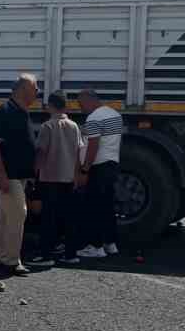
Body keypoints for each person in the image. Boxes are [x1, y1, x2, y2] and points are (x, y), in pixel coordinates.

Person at [0, 73, 39, 275]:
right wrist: (2, 175)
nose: (37, 92)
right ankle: (11, 261)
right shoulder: (5, 110)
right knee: (18, 213)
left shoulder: (21, 111)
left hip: (18, 175)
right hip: (9, 175)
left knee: (4, 217)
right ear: (24, 89)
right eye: (35, 88)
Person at [32, 92, 82, 264]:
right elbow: (78, 153)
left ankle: (46, 255)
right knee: (69, 218)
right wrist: (76, 175)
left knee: (48, 218)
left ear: (50, 106)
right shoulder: (74, 126)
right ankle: (71, 254)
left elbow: (41, 151)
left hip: (49, 177)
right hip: (68, 178)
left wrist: (34, 172)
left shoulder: (48, 126)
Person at [75, 87, 124, 259]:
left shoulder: (93, 118)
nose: (81, 108)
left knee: (94, 207)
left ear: (90, 100)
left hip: (99, 167)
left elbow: (93, 146)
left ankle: (95, 247)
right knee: (107, 207)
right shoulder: (114, 114)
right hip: (112, 164)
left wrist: (84, 169)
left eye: (81, 104)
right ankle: (110, 244)